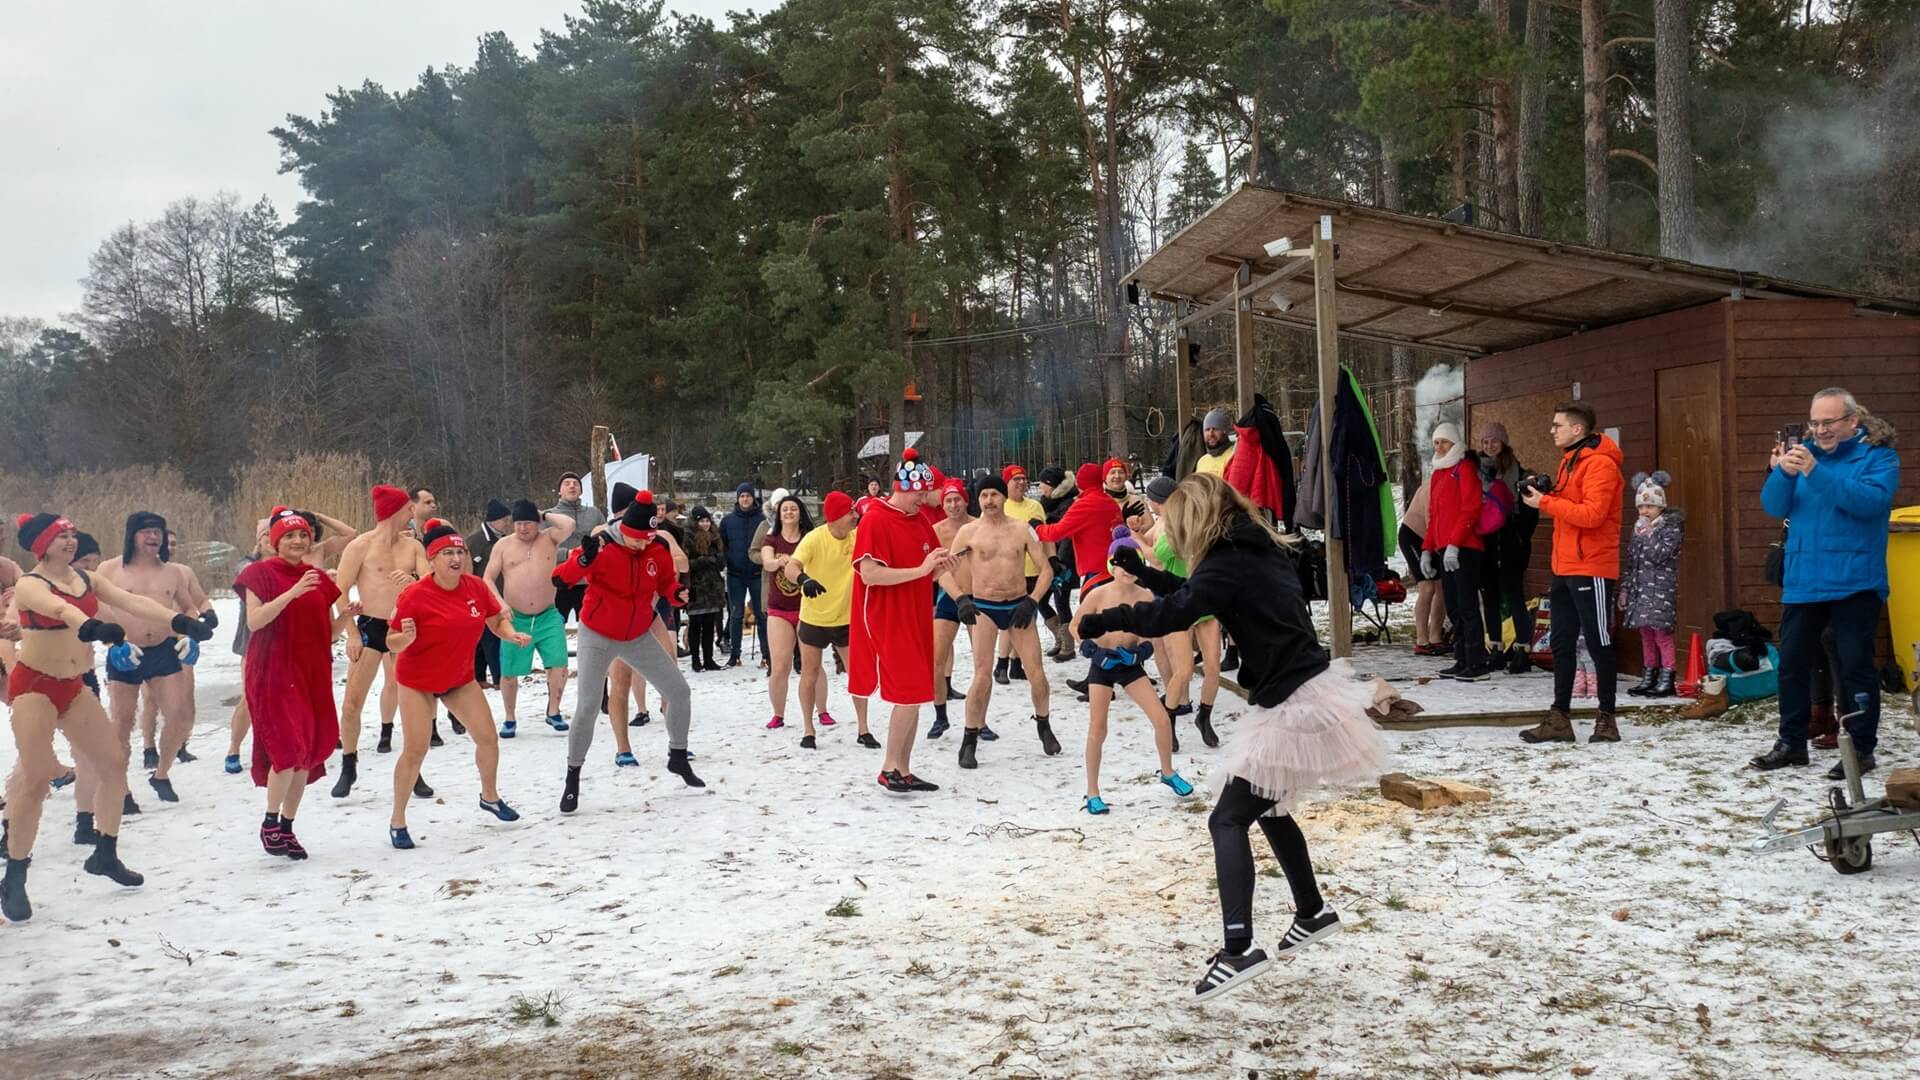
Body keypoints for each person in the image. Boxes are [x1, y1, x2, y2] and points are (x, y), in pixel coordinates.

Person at [1076, 475, 1384, 1001]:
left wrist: (1107, 617)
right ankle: (1311, 912)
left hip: (1292, 707)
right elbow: (1203, 596)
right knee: (1270, 807)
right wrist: (1148, 573)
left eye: (1174, 522)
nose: (1172, 532)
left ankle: (1238, 949)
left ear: (1194, 518)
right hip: (1303, 691)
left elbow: (1178, 611)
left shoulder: (1228, 560)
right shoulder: (1253, 549)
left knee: (1227, 817)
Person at [4, 513, 213, 922]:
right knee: (34, 781)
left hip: (74, 686)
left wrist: (179, 621)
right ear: (40, 544)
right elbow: (61, 611)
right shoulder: (31, 584)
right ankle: (15, 873)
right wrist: (92, 627)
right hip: (33, 687)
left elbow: (133, 602)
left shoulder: (86, 579)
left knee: (113, 766)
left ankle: (105, 853)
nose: (69, 541)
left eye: (70, 534)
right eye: (60, 536)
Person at [1750, 389, 1900, 777]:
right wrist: (1781, 471)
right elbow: (1773, 506)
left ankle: (1861, 747)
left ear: (1852, 421)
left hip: (1855, 580)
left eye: (1828, 423)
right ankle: (1791, 742)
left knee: (1854, 667)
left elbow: (1867, 503)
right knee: (1793, 665)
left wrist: (1815, 470)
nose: (1819, 430)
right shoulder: (1800, 457)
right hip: (1804, 578)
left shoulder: (1878, 457)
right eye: (1814, 423)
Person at [382, 520, 531, 848]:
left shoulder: (475, 587)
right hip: (417, 681)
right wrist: (404, 639)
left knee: (489, 739)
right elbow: (390, 641)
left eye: (459, 552)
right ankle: (398, 820)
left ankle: (489, 797)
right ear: (432, 560)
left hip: (458, 679)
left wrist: (510, 634)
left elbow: (495, 619)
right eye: (447, 552)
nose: (455, 558)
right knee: (415, 749)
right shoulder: (415, 595)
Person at [556, 490, 699, 812]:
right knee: (589, 706)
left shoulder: (657, 547)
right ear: (625, 530)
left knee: (680, 692)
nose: (642, 545)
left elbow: (665, 585)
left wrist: (678, 594)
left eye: (647, 539)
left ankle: (677, 756)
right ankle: (573, 775)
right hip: (597, 633)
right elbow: (560, 579)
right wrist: (582, 559)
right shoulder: (602, 544)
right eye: (637, 540)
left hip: (637, 633)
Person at [235, 508, 359, 861]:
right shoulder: (258, 574)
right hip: (273, 671)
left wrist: (346, 617)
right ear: (275, 542)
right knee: (286, 751)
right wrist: (291, 593)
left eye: (302, 535)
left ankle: (287, 826)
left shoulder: (316, 577)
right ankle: (269, 822)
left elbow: (327, 633)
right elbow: (256, 622)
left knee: (305, 753)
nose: (297, 541)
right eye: (289, 536)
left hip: (311, 672)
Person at [83, 512, 217, 810]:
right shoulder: (109, 569)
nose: (154, 537)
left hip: (163, 649)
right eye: (147, 532)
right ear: (132, 535)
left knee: (180, 717)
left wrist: (189, 636)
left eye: (158, 532)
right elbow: (94, 607)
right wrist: (110, 641)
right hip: (125, 652)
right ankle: (121, 787)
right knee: (122, 723)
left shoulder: (173, 572)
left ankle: (161, 773)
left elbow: (188, 607)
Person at [1518, 402, 1626, 745]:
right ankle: (1559, 718)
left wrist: (1546, 504)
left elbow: (1593, 515)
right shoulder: (1571, 460)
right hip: (1565, 565)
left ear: (1577, 429)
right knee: (1561, 642)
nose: (1552, 430)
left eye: (1557, 425)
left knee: (1599, 641)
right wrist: (1546, 492)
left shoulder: (1601, 465)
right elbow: (1571, 504)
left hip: (1591, 565)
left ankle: (1606, 718)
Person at [851, 450, 957, 793]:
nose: (923, 500)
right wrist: (921, 571)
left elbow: (923, 571)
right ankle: (889, 768)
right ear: (903, 488)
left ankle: (904, 768)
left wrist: (938, 568)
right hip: (887, 618)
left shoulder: (919, 520)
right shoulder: (876, 519)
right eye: (919, 494)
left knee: (918, 693)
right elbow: (869, 575)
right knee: (909, 693)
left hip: (916, 615)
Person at [1069, 527, 1195, 813]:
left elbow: (1152, 634)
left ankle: (1168, 772)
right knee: (1097, 729)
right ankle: (1092, 792)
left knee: (1162, 719)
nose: (1125, 570)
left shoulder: (1146, 595)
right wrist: (1091, 650)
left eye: (1131, 562)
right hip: (1101, 666)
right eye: (1119, 563)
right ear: (1110, 564)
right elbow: (1075, 627)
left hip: (1129, 666)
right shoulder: (1097, 594)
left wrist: (1140, 652)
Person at [940, 473, 1057, 769]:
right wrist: (961, 599)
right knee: (981, 676)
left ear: (1004, 497)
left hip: (1018, 605)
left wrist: (1032, 601)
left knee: (1037, 674)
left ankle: (1043, 724)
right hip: (984, 608)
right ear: (977, 500)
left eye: (994, 494)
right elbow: (942, 572)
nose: (989, 500)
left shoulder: (1021, 530)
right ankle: (969, 740)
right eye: (984, 496)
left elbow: (1046, 570)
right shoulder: (969, 532)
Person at [334, 485, 434, 797]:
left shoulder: (413, 547)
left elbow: (434, 583)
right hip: (370, 626)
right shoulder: (360, 546)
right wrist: (350, 632)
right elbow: (340, 589)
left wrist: (415, 582)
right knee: (352, 702)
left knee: (413, 705)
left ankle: (413, 769)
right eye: (408, 509)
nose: (412, 513)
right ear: (394, 512)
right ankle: (348, 764)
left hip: (403, 626)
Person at [785, 491, 872, 749]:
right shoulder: (814, 539)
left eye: (855, 511)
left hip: (847, 618)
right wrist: (804, 579)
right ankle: (808, 730)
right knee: (809, 673)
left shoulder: (858, 537)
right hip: (814, 618)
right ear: (834, 518)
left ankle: (864, 728)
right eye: (850, 512)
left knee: (857, 673)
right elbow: (791, 566)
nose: (855, 516)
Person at [483, 499, 576, 737]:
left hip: (548, 615)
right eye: (518, 523)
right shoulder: (503, 545)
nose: (523, 528)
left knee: (559, 664)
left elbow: (570, 524)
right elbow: (488, 579)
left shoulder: (549, 539)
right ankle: (510, 717)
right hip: (516, 618)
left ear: (537, 523)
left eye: (528, 523)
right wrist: (500, 603)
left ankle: (553, 711)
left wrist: (544, 514)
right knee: (509, 672)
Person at [1143, 475, 1222, 748]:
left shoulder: (1179, 522)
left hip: (1202, 598)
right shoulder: (1163, 522)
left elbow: (1157, 556)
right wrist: (1133, 534)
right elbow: (1153, 544)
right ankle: (1170, 720)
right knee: (1184, 670)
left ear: (1157, 502)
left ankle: (1205, 716)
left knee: (1213, 665)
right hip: (1177, 602)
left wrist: (1133, 539)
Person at [1420, 424, 1489, 681]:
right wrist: (1427, 549)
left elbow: (1470, 510)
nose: (1439, 447)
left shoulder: (1464, 469)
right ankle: (1462, 659)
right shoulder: (1439, 474)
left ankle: (1477, 662)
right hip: (1445, 549)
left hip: (1465, 549)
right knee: (1454, 607)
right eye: (1436, 442)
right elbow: (1434, 516)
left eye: (1444, 442)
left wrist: (1455, 543)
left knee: (1468, 605)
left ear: (1455, 443)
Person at [1476, 423, 1538, 673]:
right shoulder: (1476, 473)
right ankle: (1496, 649)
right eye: (1485, 441)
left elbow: (1530, 512)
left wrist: (1519, 537)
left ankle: (1522, 650)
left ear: (1503, 442)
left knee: (1514, 597)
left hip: (1512, 546)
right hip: (1487, 544)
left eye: (1494, 441)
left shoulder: (1519, 473)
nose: (1489, 446)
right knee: (1490, 598)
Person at [1621, 472, 1684, 700]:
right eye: (1641, 507)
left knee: (1661, 634)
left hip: (1660, 589)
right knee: (1645, 634)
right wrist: (1626, 588)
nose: (1644, 511)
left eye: (1649, 506)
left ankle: (1667, 676)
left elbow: (1660, 554)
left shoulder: (1671, 528)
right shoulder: (1638, 529)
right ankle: (1649, 676)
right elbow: (1632, 561)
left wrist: (1649, 535)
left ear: (1660, 506)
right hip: (1640, 588)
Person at [993, 464, 1054, 682]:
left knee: (1027, 619)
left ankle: (1016, 664)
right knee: (1008, 620)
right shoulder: (1000, 506)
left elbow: (1045, 536)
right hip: (1008, 572)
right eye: (1015, 479)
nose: (1020, 483)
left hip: (1034, 570)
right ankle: (1002, 663)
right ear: (1006, 484)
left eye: (1023, 479)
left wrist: (1051, 560)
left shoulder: (1035, 506)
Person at [759, 494, 813, 731]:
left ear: (800, 513)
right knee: (780, 665)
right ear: (779, 515)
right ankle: (778, 713)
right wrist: (781, 562)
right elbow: (768, 563)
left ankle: (821, 711)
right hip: (779, 609)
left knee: (812, 663)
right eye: (784, 510)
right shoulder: (771, 539)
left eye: (793, 509)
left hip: (807, 609)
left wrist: (796, 561)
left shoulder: (810, 539)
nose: (789, 512)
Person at [927, 479, 975, 740]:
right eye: (948, 500)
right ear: (942, 504)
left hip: (978, 597)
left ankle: (980, 719)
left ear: (966, 501)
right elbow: (932, 568)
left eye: (958, 499)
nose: (953, 505)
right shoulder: (935, 530)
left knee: (982, 662)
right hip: (948, 597)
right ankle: (940, 716)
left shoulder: (979, 526)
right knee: (936, 658)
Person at [1396, 471, 1445, 655]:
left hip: (1433, 539)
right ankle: (1421, 639)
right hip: (1413, 536)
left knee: (1442, 589)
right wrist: (1431, 550)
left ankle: (1435, 637)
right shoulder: (1432, 488)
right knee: (1427, 588)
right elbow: (1430, 520)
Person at [547, 472, 605, 625]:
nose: (572, 486)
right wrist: (566, 554)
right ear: (559, 491)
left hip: (589, 582)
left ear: (581, 489)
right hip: (559, 582)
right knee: (554, 628)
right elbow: (540, 550)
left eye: (576, 483)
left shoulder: (594, 513)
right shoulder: (549, 516)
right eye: (567, 483)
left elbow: (604, 543)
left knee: (591, 627)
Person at [720, 482, 767, 667]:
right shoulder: (728, 520)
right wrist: (726, 561)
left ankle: (766, 654)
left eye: (748, 495)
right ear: (737, 498)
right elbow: (722, 544)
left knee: (761, 614)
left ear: (752, 497)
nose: (745, 499)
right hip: (735, 574)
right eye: (742, 496)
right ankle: (735, 654)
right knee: (736, 614)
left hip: (757, 573)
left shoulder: (763, 519)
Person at [466, 499, 512, 689]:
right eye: (504, 520)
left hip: (500, 593)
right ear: (493, 521)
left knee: (489, 637)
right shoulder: (477, 540)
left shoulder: (504, 538)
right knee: (489, 638)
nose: (507, 524)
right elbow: (469, 567)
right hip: (481, 595)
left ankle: (482, 676)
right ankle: (496, 677)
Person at [1035, 465, 1079, 661]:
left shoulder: (1068, 503)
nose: (1040, 488)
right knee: (1042, 600)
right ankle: (1060, 638)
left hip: (1064, 561)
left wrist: (1060, 563)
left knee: (1061, 601)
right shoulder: (1047, 502)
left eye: (1043, 483)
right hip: (1050, 559)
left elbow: (1067, 536)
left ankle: (1068, 646)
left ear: (1051, 485)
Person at [684, 507, 726, 672]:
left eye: (707, 521)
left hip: (713, 586)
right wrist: (706, 560)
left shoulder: (716, 537)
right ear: (696, 522)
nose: (705, 524)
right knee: (695, 624)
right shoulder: (688, 537)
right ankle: (696, 659)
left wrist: (718, 560)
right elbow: (687, 563)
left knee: (710, 624)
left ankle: (709, 659)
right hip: (696, 585)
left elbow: (721, 559)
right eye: (702, 521)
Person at [1194, 408, 1236, 478]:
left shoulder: (1233, 456)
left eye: (1215, 429)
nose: (1211, 434)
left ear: (1225, 431)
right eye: (1207, 430)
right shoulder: (1202, 461)